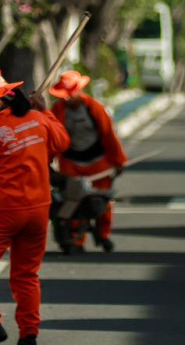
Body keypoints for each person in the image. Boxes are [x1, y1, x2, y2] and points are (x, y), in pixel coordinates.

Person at [0, 69, 70, 345]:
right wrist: (46, 112)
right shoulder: (38, 120)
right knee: (26, 275)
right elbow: (61, 144)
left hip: (2, 210)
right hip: (38, 210)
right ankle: (28, 338)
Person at [49, 70, 127, 253]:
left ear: (79, 90)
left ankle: (104, 234)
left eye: (71, 94)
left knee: (102, 200)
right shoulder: (58, 110)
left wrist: (118, 161)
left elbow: (109, 136)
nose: (68, 99)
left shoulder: (95, 108)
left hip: (98, 161)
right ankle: (77, 238)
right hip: (71, 161)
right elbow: (52, 137)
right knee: (72, 201)